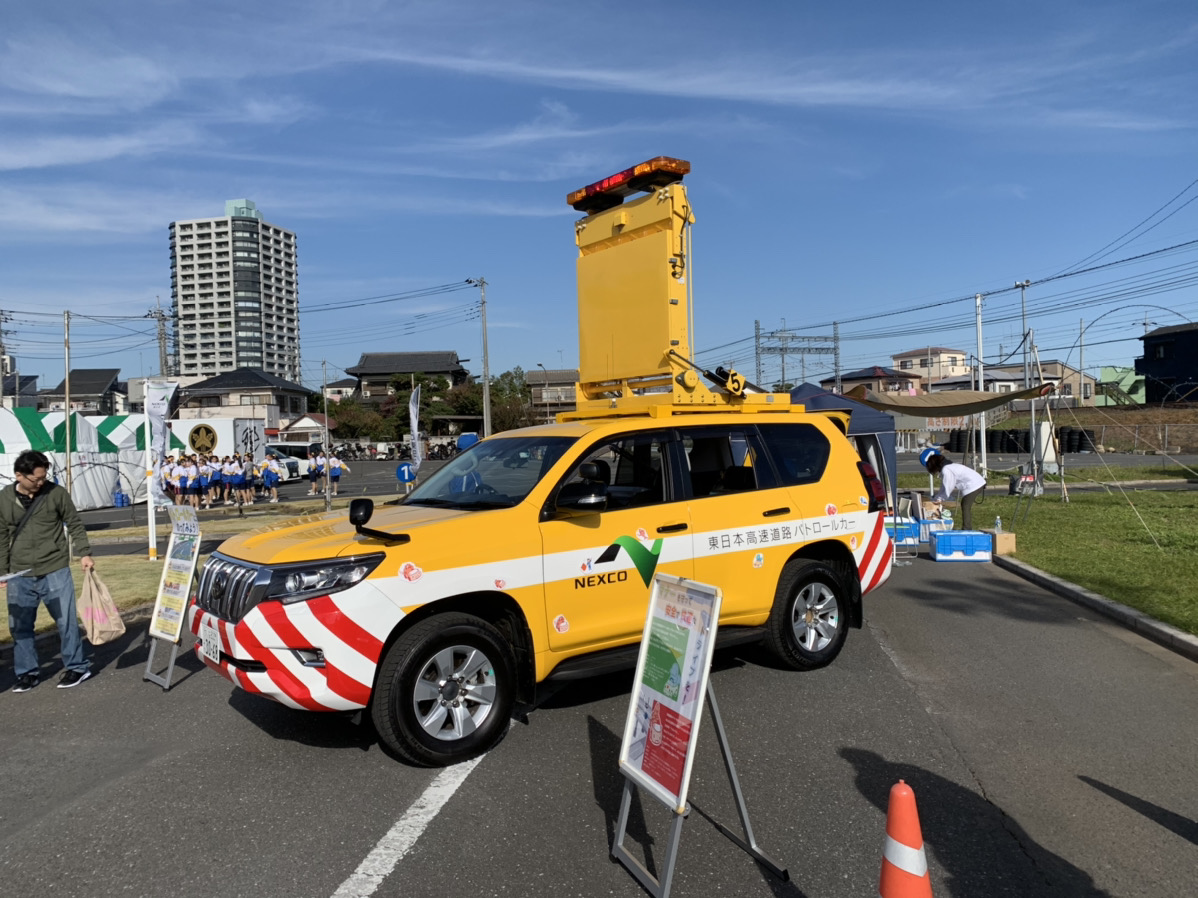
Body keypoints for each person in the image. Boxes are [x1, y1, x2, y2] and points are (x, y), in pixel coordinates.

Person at [1, 450, 96, 692]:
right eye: (37, 479)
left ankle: (77, 666)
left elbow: (74, 521)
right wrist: (2, 571)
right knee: (20, 625)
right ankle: (27, 673)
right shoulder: (4, 498)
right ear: (19, 476)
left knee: (65, 622)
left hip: (54, 567)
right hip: (19, 573)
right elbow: (1, 536)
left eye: (44, 477)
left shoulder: (55, 493)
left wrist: (84, 553)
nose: (42, 482)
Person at [921, 448, 986, 530]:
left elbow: (948, 486)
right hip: (976, 482)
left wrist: (941, 499)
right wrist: (938, 498)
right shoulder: (948, 467)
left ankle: (967, 529)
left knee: (965, 505)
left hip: (974, 484)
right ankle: (967, 527)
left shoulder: (946, 470)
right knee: (965, 504)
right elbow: (944, 486)